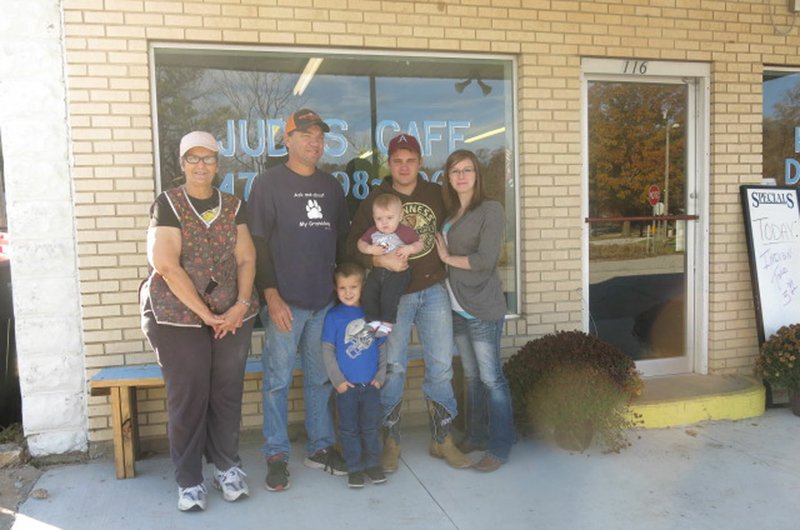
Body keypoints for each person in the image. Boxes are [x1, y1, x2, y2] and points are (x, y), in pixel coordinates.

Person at [140, 130, 259, 511]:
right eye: (193, 158)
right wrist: (206, 314)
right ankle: (189, 479)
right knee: (189, 395)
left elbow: (246, 258)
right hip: (177, 315)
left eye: (208, 158)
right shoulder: (168, 204)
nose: (201, 165)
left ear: (218, 163)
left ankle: (227, 467)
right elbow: (166, 265)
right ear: (182, 163)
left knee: (226, 391)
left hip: (231, 312)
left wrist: (240, 304)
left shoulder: (233, 204)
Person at [346, 133, 471, 472]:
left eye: (410, 160)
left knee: (442, 365)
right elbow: (351, 246)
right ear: (389, 163)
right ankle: (391, 441)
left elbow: (461, 219)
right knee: (393, 368)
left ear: (420, 162)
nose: (404, 166)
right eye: (398, 160)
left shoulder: (435, 193)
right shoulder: (375, 199)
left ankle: (442, 438)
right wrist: (377, 262)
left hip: (433, 291)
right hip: (393, 296)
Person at [246, 108, 350, 492]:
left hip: (324, 302)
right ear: (287, 140)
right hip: (284, 303)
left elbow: (341, 243)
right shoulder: (268, 184)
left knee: (320, 379)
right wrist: (270, 296)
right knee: (276, 380)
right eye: (305, 134)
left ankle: (320, 448)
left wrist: (344, 295)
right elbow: (256, 244)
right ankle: (276, 454)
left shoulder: (332, 187)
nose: (314, 141)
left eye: (320, 135)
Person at [434, 149, 514, 473]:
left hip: (482, 307)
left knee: (492, 378)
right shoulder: (451, 213)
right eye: (455, 171)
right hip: (456, 306)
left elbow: (485, 260)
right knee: (471, 376)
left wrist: (448, 260)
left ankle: (501, 445)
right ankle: (477, 435)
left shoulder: (490, 210)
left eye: (467, 170)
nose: (461, 176)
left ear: (477, 175)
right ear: (448, 177)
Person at [322, 262, 388, 489]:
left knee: (371, 427)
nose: (348, 293)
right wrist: (338, 381)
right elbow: (327, 350)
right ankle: (355, 468)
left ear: (363, 287)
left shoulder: (372, 313)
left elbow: (382, 346)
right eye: (342, 288)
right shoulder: (333, 316)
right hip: (346, 388)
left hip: (371, 385)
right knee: (348, 430)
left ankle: (373, 465)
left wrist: (381, 375)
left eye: (353, 287)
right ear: (336, 289)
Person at [357, 193, 424, 336]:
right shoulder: (373, 232)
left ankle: (387, 323)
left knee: (389, 295)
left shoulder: (404, 231)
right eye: (379, 219)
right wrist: (369, 249)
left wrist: (409, 248)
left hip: (398, 273)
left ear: (400, 217)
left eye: (389, 218)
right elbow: (360, 243)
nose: (384, 223)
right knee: (368, 292)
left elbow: (420, 243)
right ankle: (373, 320)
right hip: (378, 271)